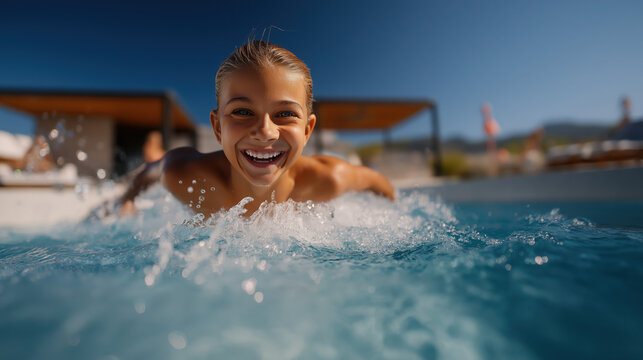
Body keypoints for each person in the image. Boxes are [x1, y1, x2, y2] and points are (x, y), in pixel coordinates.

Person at [120, 41, 394, 216]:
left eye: (285, 114)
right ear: (217, 127)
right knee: (155, 159)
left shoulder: (328, 180)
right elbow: (149, 174)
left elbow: (376, 181)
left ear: (308, 130)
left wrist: (395, 215)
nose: (265, 131)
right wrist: (128, 201)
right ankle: (153, 148)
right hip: (172, 159)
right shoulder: (186, 175)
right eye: (242, 112)